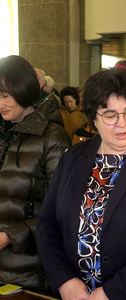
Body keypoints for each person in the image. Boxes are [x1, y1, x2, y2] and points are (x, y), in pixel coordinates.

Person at [36, 68, 126, 300]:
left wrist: (110, 293)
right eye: (109, 114)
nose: (121, 123)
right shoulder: (73, 157)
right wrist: (64, 280)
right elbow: (47, 223)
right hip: (76, 293)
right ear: (94, 118)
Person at [0, 55, 70, 292]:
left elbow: (61, 209)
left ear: (23, 91)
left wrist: (9, 236)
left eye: (4, 96)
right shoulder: (2, 133)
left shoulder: (52, 138)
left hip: (30, 267)